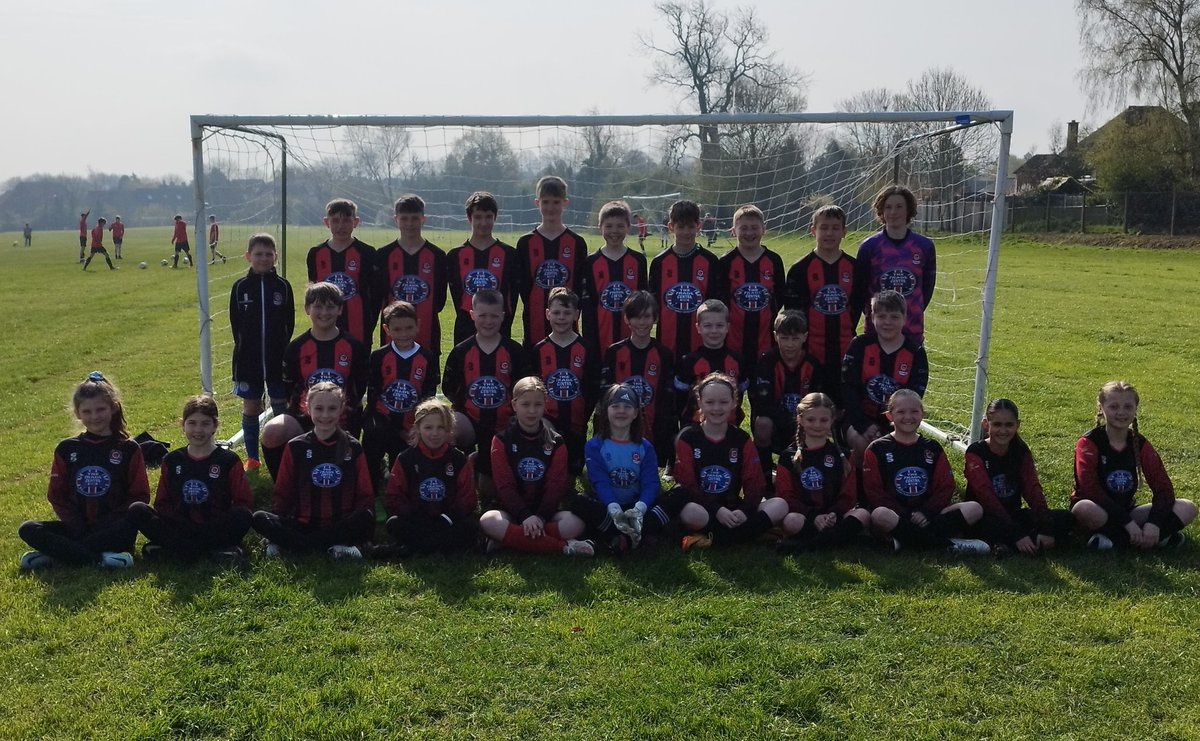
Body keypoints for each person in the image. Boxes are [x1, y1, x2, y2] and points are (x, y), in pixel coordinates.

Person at [18, 372, 148, 570]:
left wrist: (109, 522)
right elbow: (57, 495)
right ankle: (100, 559)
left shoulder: (128, 448)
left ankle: (59, 554)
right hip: (76, 527)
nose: (94, 417)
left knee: (133, 520)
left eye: (100, 409)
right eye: (87, 411)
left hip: (112, 529)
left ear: (113, 408)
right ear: (77, 413)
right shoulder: (67, 448)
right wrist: (76, 524)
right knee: (28, 528)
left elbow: (139, 495)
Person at [252, 382, 375, 559]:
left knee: (365, 517)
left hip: (339, 523)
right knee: (259, 518)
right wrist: (279, 518)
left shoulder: (352, 447)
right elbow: (283, 491)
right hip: (302, 522)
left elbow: (365, 494)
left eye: (332, 408)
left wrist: (365, 533)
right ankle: (331, 546)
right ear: (308, 408)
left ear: (341, 409)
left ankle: (295, 545)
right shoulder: (296, 446)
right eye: (319, 408)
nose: (325, 415)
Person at [260, 282, 369, 478]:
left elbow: (358, 389)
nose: (324, 312)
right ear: (307, 309)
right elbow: (289, 389)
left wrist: (338, 415)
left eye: (330, 306)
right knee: (272, 432)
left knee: (340, 472)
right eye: (318, 306)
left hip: (342, 418)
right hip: (304, 417)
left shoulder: (354, 347)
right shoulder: (296, 348)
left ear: (340, 309)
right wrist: (308, 413)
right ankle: (285, 484)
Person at [1070, 381, 1196, 550]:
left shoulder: (1139, 443)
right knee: (1084, 508)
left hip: (1126, 511)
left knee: (1188, 508)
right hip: (1098, 511)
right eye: (1114, 407)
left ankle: (1114, 540)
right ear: (1101, 408)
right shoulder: (1088, 443)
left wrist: (1155, 523)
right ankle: (1156, 539)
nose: (1121, 412)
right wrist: (1128, 523)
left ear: (1135, 409)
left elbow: (1163, 488)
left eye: (1128, 407)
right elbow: (1089, 489)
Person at [665, 372, 784, 550]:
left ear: (734, 403)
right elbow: (686, 484)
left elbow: (755, 482)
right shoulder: (688, 438)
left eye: (723, 402)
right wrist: (716, 510)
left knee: (780, 505)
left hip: (733, 509)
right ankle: (744, 534)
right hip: (703, 509)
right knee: (691, 514)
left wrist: (745, 511)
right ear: (699, 403)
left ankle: (716, 536)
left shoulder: (741, 438)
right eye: (710, 402)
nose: (717, 408)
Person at [127, 396, 253, 563]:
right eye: (192, 423)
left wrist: (216, 521)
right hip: (181, 527)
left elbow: (243, 502)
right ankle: (215, 551)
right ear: (183, 425)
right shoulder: (172, 460)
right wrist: (181, 523)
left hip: (214, 526)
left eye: (205, 423)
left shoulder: (228, 460)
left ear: (215, 425)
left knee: (243, 515)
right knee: (137, 509)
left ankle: (176, 550)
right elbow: (162, 504)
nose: (198, 430)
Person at [480, 378, 594, 556]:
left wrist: (539, 516)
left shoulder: (556, 442)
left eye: (537, 404)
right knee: (489, 521)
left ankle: (511, 539)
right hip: (512, 512)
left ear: (545, 406)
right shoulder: (501, 440)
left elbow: (555, 487)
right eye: (525, 404)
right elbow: (504, 486)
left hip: (545, 514)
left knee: (576, 523)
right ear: (514, 405)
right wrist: (525, 515)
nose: (532, 411)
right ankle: (564, 548)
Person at [863, 390, 986, 553]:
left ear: (923, 414)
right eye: (901, 412)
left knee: (974, 508)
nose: (908, 417)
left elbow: (946, 487)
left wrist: (926, 512)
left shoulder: (932, 447)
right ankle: (945, 545)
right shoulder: (877, 448)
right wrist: (906, 514)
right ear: (889, 416)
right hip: (896, 517)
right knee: (879, 514)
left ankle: (906, 542)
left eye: (914, 411)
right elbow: (874, 491)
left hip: (929, 515)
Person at [442, 288, 527, 502]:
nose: (488, 321)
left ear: (503, 316)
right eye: (482, 315)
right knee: (447, 426)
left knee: (488, 491)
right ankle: (453, 470)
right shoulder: (461, 351)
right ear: (472, 315)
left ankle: (481, 461)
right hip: (471, 422)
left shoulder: (514, 351)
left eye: (494, 315)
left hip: (504, 423)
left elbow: (524, 388)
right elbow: (449, 388)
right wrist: (465, 409)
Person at [567, 384, 670, 553]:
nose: (621, 411)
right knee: (578, 502)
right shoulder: (594, 445)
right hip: (608, 507)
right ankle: (635, 534)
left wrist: (640, 508)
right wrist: (613, 508)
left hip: (636, 507)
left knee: (677, 496)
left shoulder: (645, 447)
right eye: (615, 406)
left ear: (636, 413)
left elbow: (651, 483)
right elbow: (600, 482)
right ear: (605, 411)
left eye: (627, 406)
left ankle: (618, 535)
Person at [964, 399, 1071, 555]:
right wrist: (1017, 533)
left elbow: (1032, 489)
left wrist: (1045, 526)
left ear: (1017, 425)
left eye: (1009, 425)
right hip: (987, 516)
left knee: (1065, 518)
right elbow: (986, 496)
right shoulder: (976, 452)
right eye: (997, 424)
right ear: (986, 424)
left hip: (1013, 514)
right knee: (989, 526)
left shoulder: (1020, 450)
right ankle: (1019, 543)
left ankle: (1008, 546)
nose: (1003, 430)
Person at [229, 233, 295, 471]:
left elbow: (289, 323)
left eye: (268, 254)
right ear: (248, 256)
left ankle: (283, 453)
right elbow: (236, 325)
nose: (264, 258)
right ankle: (253, 457)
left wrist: (281, 350)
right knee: (252, 407)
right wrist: (247, 349)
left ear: (275, 257)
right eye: (258, 254)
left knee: (280, 405)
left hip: (277, 360)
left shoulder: (283, 287)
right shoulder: (240, 288)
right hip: (248, 361)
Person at [381, 398, 478, 556]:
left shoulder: (458, 459)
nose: (434, 433)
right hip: (416, 521)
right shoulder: (406, 458)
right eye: (428, 427)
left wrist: (446, 518)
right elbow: (394, 496)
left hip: (447, 521)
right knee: (394, 524)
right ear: (418, 428)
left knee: (470, 527)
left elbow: (467, 499)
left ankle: (411, 549)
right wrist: (415, 516)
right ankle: (439, 547)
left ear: (449, 430)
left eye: (441, 427)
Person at [775, 393, 870, 552]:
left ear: (832, 420)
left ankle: (808, 546)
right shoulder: (788, 457)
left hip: (835, 517)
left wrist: (834, 513)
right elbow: (786, 496)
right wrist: (814, 517)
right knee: (791, 521)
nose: (817, 425)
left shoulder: (844, 456)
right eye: (811, 420)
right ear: (800, 419)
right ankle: (836, 540)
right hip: (805, 517)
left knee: (863, 515)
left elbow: (849, 495)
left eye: (824, 420)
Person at [841, 290, 928, 459]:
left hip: (900, 421)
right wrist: (864, 425)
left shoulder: (915, 352)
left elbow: (913, 396)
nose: (887, 322)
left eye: (894, 317)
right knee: (863, 446)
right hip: (859, 419)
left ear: (904, 318)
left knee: (899, 449)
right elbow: (848, 389)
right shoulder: (859, 345)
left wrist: (893, 427)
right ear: (872, 318)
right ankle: (860, 483)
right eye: (881, 316)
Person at [363, 300, 440, 494]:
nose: (403, 334)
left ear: (418, 326)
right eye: (397, 329)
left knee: (406, 466)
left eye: (409, 328)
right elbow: (373, 393)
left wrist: (417, 426)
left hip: (411, 423)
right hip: (384, 420)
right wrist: (374, 421)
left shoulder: (427, 357)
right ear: (387, 329)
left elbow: (428, 394)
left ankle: (400, 493)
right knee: (372, 446)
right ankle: (372, 493)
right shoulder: (378, 356)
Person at [529, 287, 599, 478]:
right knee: (548, 471)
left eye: (567, 313)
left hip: (576, 423)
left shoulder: (587, 349)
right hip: (547, 421)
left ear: (577, 314)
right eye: (557, 312)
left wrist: (584, 415)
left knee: (571, 474)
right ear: (547, 314)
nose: (561, 317)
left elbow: (591, 389)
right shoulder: (539, 350)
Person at [785, 204, 861, 381]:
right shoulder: (799, 269)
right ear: (813, 230)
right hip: (810, 350)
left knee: (843, 403)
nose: (829, 233)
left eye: (835, 228)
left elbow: (858, 305)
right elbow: (793, 312)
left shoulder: (855, 268)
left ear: (844, 231)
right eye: (824, 228)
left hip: (845, 347)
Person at [852, 185, 936, 346]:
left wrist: (910, 310)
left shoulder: (924, 246)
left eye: (899, 207)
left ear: (908, 210)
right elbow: (860, 288)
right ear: (881, 211)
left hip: (911, 325)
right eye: (888, 207)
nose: (893, 212)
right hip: (877, 327)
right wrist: (875, 314)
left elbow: (927, 287)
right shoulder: (869, 247)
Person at [602, 290, 676, 468]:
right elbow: (605, 393)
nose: (642, 322)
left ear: (655, 318)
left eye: (647, 317)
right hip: (620, 422)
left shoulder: (664, 354)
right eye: (636, 317)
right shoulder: (614, 352)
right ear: (627, 319)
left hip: (654, 423)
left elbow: (667, 396)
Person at [750, 310, 826, 483]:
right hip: (776, 421)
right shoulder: (767, 361)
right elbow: (762, 404)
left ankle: (806, 476)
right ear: (776, 336)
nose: (790, 344)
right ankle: (765, 477)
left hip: (804, 422)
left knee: (817, 422)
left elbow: (818, 402)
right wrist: (789, 420)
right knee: (762, 423)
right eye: (784, 338)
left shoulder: (813, 365)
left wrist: (802, 422)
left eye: (795, 338)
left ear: (805, 337)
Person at [714, 204, 786, 380]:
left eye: (754, 227)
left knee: (762, 398)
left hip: (765, 343)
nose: (749, 233)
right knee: (731, 395)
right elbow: (719, 299)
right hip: (732, 343)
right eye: (743, 228)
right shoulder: (725, 262)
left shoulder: (774, 261)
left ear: (764, 229)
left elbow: (780, 297)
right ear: (733, 230)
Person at [516, 176, 587, 349]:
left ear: (565, 203)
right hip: (534, 326)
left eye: (556, 202)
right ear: (537, 202)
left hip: (568, 327)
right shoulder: (525, 243)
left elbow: (579, 287)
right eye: (545, 202)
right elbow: (524, 288)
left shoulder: (577, 243)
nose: (550, 207)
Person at [373, 194, 447, 355]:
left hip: (428, 333)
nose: (409, 223)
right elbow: (378, 297)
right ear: (396, 219)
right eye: (404, 218)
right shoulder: (383, 255)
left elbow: (439, 301)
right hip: (392, 335)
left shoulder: (437, 255)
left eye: (414, 218)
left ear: (423, 219)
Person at [648, 199, 719, 362]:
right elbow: (654, 302)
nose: (686, 232)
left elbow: (715, 301)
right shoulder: (659, 262)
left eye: (691, 227)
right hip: (667, 340)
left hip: (702, 343)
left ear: (699, 226)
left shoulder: (710, 261)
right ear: (671, 227)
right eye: (681, 227)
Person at [446, 191, 518, 347]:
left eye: (488, 217)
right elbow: (457, 297)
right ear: (469, 218)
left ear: (495, 217)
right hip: (465, 331)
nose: (483, 223)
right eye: (478, 217)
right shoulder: (454, 256)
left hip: (500, 330)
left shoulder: (510, 255)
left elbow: (512, 298)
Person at [307, 198, 379, 347]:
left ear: (356, 222)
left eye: (346, 220)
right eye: (335, 221)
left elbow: (375, 296)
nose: (341, 226)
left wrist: (369, 323)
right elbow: (314, 293)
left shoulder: (367, 253)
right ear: (327, 222)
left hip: (358, 326)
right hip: (325, 324)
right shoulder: (316, 253)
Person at [581, 200, 648, 355]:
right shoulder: (591, 262)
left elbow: (643, 301)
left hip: (633, 337)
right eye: (609, 226)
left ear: (628, 227)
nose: (614, 231)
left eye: (620, 226)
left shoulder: (638, 261)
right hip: (599, 337)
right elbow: (588, 305)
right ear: (600, 228)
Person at [673, 299, 745, 426]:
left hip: (730, 427)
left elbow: (739, 396)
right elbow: (680, 401)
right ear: (698, 328)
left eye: (719, 325)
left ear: (727, 327)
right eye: (708, 326)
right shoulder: (688, 361)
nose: (714, 331)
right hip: (694, 427)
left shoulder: (737, 361)